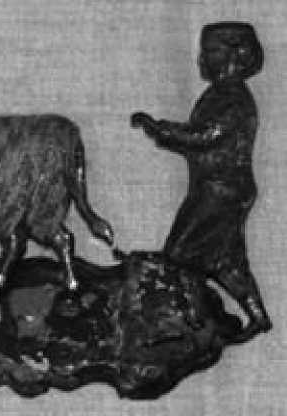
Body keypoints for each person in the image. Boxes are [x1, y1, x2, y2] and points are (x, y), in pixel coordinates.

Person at [131, 22, 272, 341]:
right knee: (225, 261)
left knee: (179, 254)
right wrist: (163, 131)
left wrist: (160, 129)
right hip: (221, 189)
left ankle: (188, 321)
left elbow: (205, 136)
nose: (202, 59)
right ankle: (257, 316)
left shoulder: (233, 99)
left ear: (235, 55)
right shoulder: (221, 93)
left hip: (219, 192)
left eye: (210, 51)